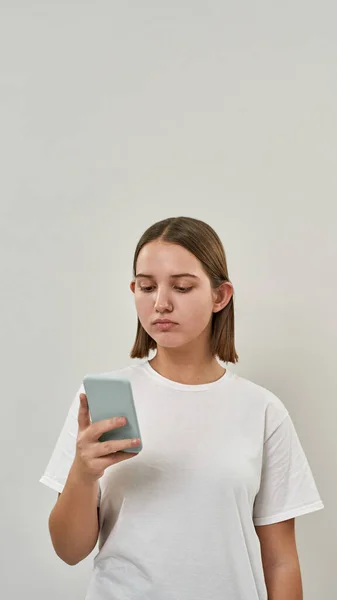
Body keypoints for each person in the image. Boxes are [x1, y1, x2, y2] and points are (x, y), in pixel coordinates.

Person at [39, 216, 324, 600]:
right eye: (146, 286)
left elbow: (281, 561)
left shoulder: (261, 410)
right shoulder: (101, 401)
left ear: (220, 296)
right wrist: (83, 474)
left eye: (182, 287)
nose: (161, 303)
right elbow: (69, 551)